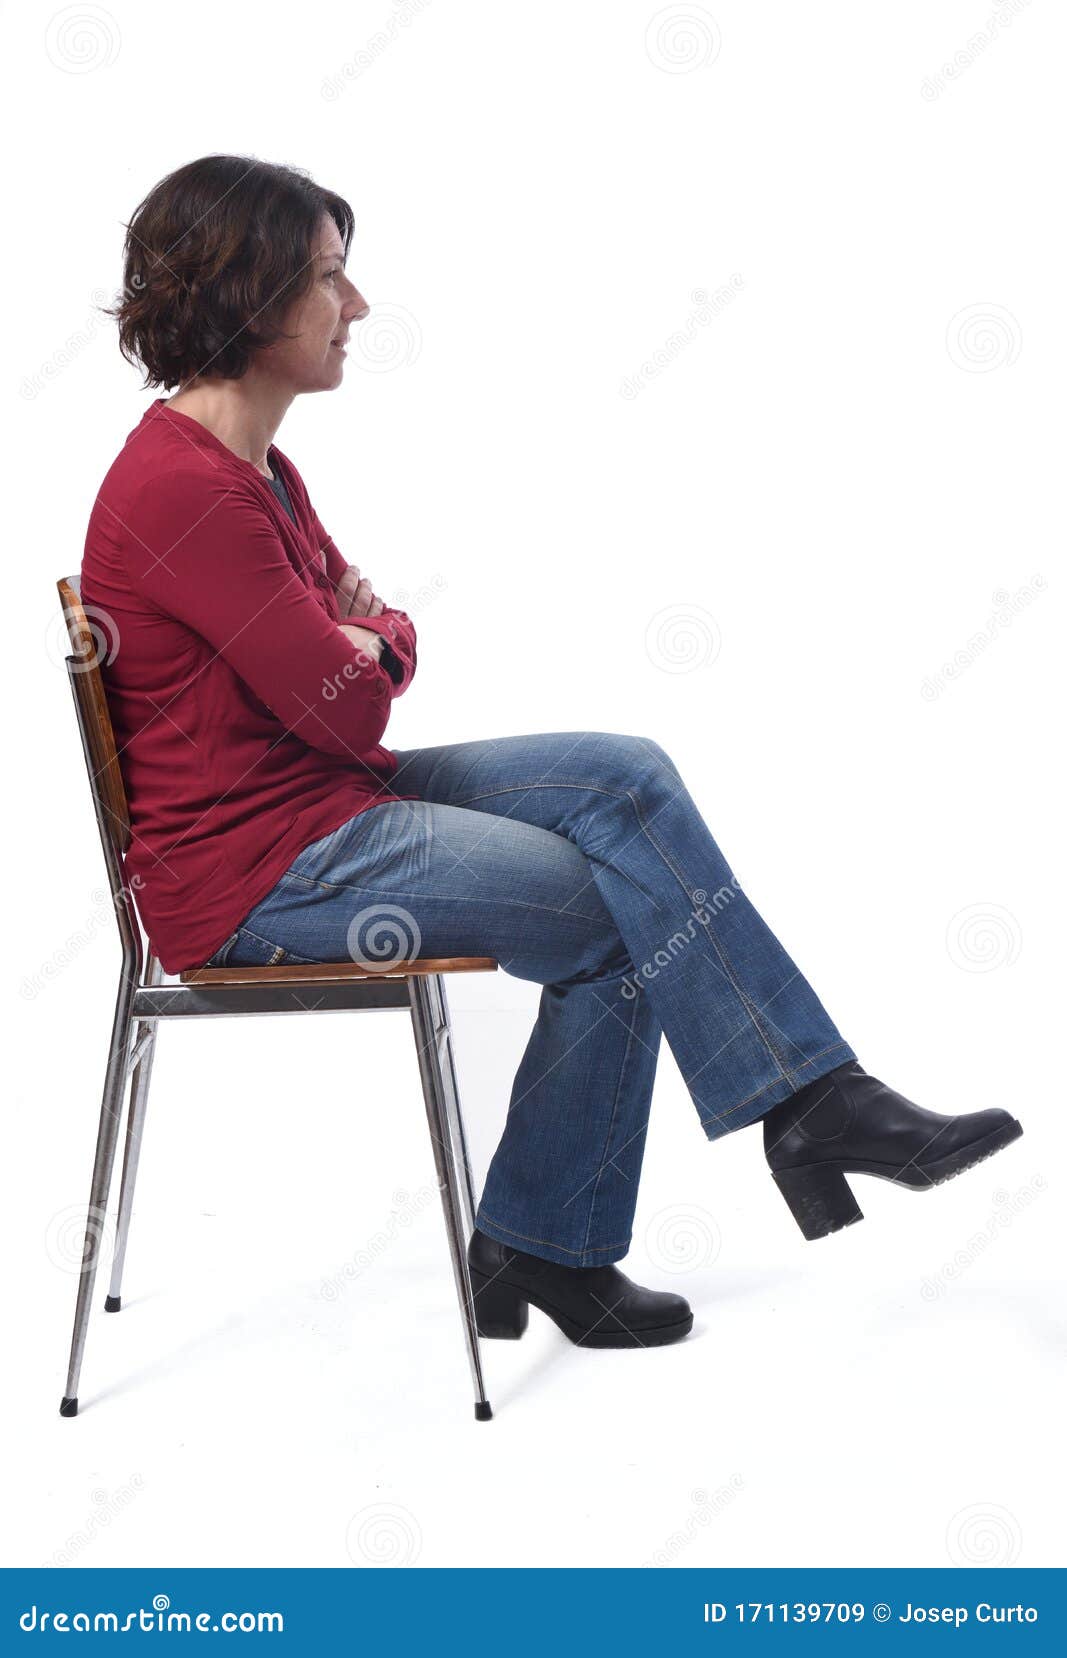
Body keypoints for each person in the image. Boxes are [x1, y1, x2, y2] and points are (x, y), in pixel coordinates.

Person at [81, 156, 1023, 1354]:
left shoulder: (253, 463)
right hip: (253, 869)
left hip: (315, 801)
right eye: (329, 278)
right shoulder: (186, 493)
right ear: (250, 298)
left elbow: (353, 653)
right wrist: (369, 637)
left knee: (622, 776)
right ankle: (588, 1218)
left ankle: (795, 1107)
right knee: (633, 902)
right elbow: (350, 692)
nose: (358, 306)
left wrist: (366, 638)